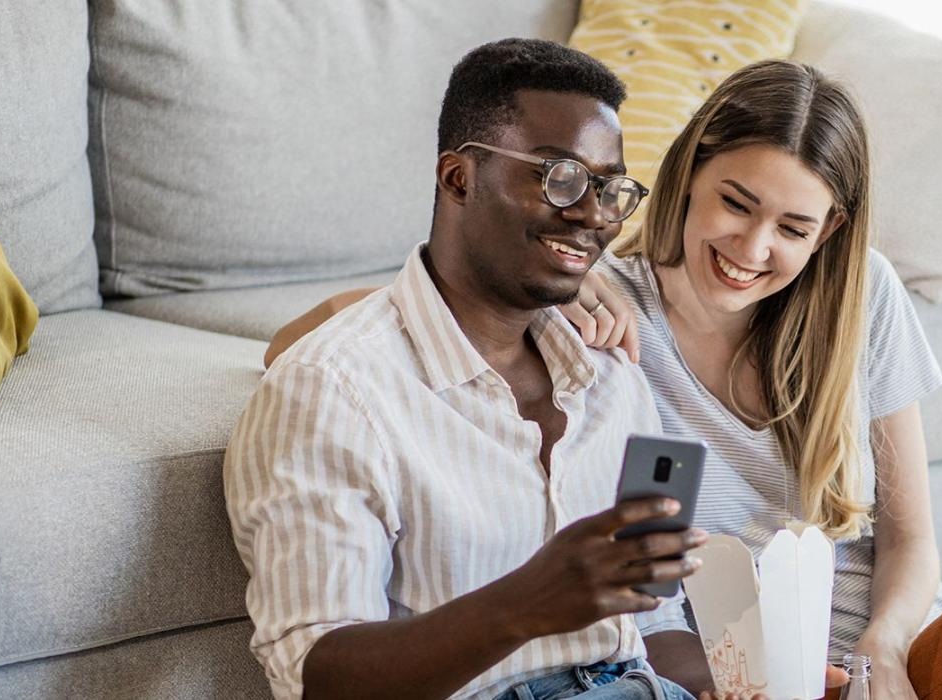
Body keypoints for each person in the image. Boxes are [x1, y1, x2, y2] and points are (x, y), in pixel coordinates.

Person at [268, 59, 942, 700]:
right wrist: (577, 294)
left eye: (793, 227)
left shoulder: (866, 302)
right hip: (755, 673)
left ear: (831, 233)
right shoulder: (599, 302)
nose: (753, 247)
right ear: (689, 170)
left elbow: (911, 540)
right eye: (735, 202)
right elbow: (327, 337)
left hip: (909, 657)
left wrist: (891, 653)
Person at [226, 38, 719, 700]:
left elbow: (656, 617)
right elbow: (317, 674)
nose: (595, 216)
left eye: (609, 188)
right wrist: (522, 605)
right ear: (459, 178)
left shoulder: (613, 373)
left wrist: (739, 680)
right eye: (560, 177)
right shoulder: (331, 389)